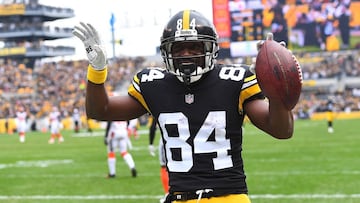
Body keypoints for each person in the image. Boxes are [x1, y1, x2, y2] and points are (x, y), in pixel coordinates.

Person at [73, 9, 297, 203]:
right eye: (178, 49)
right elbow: (99, 111)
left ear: (211, 49)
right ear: (166, 52)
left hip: (229, 197)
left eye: (194, 47)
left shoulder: (234, 80)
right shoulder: (153, 84)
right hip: (179, 196)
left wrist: (275, 88)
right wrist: (97, 68)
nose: (186, 54)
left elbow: (281, 130)